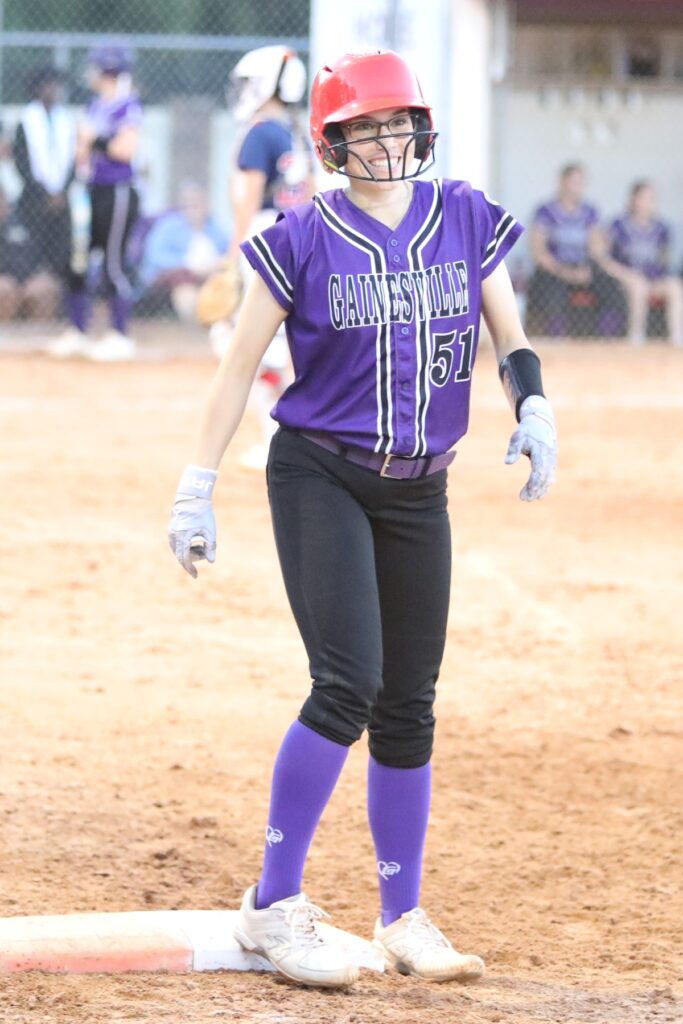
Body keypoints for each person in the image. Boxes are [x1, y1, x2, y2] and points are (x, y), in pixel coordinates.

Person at [168, 50, 558, 990]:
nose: (386, 140)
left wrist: (533, 404)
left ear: (419, 130)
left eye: (398, 123)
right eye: (366, 127)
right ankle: (271, 904)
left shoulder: (462, 214)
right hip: (321, 474)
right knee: (347, 684)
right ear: (333, 142)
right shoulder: (301, 236)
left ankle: (401, 915)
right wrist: (197, 482)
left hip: (421, 486)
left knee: (409, 704)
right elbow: (237, 369)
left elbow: (510, 334)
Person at [210, 45, 316, 468]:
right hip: (298, 236)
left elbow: (248, 200)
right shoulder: (296, 131)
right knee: (286, 342)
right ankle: (287, 432)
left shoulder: (259, 132)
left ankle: (276, 436)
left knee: (240, 340)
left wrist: (231, 254)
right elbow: (308, 190)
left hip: (262, 239)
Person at [46, 45, 142, 361]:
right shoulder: (94, 105)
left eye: (95, 68)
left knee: (113, 263)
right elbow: (82, 151)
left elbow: (125, 150)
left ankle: (120, 335)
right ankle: (78, 331)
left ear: (108, 70)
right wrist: (83, 147)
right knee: (78, 261)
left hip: (117, 191)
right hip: (90, 191)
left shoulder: (126, 105)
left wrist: (93, 141)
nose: (89, 73)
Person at [526, 163, 623, 337]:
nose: (579, 188)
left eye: (582, 183)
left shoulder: (590, 211)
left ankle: (607, 339)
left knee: (611, 288)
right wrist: (564, 272)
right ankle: (557, 339)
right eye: (575, 182)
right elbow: (538, 252)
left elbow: (595, 249)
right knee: (551, 292)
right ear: (562, 182)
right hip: (555, 270)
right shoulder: (545, 211)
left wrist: (602, 248)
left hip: (583, 269)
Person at [13, 67, 75, 286]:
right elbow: (22, 162)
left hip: (62, 197)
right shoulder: (27, 120)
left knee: (62, 249)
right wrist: (42, 193)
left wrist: (62, 191)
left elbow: (73, 161)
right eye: (47, 85)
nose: (52, 90)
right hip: (34, 197)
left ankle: (58, 295)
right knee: (34, 244)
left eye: (55, 85)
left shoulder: (66, 120)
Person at [604, 180, 683, 347]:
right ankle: (636, 335)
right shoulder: (618, 224)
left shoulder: (662, 227)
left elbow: (664, 260)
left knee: (675, 286)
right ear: (633, 199)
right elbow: (606, 259)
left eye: (652, 198)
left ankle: (677, 337)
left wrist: (657, 277)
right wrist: (625, 274)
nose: (648, 203)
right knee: (638, 285)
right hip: (625, 279)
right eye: (644, 198)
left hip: (652, 279)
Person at [138, 182, 228, 321]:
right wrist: (187, 263)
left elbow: (229, 253)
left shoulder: (216, 228)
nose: (194, 207)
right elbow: (155, 255)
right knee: (187, 296)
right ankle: (192, 331)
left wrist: (215, 264)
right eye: (190, 203)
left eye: (199, 202)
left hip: (210, 278)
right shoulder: (169, 226)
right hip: (179, 279)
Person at [0, 186, 61, 321]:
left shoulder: (29, 222)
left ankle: (41, 338)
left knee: (42, 290)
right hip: (5, 279)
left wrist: (40, 274)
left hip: (33, 276)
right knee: (4, 289)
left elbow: (47, 256)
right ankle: (5, 337)